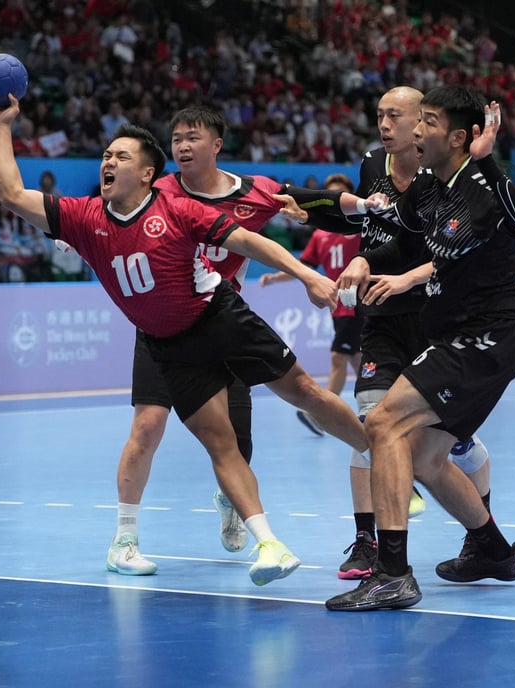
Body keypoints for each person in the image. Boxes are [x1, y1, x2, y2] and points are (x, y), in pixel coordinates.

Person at [0, 95, 372, 586]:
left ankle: (383, 454)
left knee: (302, 393)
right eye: (106, 155)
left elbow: (250, 241)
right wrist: (3, 127)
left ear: (148, 174)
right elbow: (12, 194)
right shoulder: (84, 218)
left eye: (121, 156)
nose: (108, 161)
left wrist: (305, 275)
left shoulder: (176, 208)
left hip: (219, 316)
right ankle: (267, 545)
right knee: (213, 442)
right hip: (167, 343)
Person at [102, 106, 381, 576]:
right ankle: (124, 539)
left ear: (216, 144)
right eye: (177, 139)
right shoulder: (160, 190)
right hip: (161, 325)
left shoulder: (253, 192)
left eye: (193, 137)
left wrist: (367, 206)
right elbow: (112, 209)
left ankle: (231, 500)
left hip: (221, 319)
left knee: (237, 440)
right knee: (147, 425)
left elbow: (317, 202)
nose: (183, 146)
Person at [326, 88, 515, 611]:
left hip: (488, 333)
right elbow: (393, 229)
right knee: (424, 455)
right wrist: (311, 213)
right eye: (414, 120)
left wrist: (488, 169)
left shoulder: (483, 188)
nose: (415, 132)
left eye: (428, 122)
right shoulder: (426, 180)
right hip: (457, 332)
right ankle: (493, 552)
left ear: (459, 137)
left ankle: (393, 574)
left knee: (383, 424)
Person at [301, 86, 496, 581]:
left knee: (453, 446)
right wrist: (336, 244)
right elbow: (365, 224)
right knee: (370, 427)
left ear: (422, 125)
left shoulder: (447, 178)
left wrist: (407, 275)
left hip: (438, 318)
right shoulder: (372, 165)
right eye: (379, 116)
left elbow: (458, 248)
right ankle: (369, 542)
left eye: (395, 116)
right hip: (383, 316)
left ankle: (482, 535)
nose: (384, 125)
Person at [259, 173, 363, 436]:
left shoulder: (362, 226)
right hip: (338, 306)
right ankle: (376, 408)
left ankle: (320, 415)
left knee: (340, 356)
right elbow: (303, 267)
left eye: (339, 195)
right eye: (329, 196)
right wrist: (274, 278)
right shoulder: (320, 235)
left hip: (361, 303)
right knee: (356, 359)